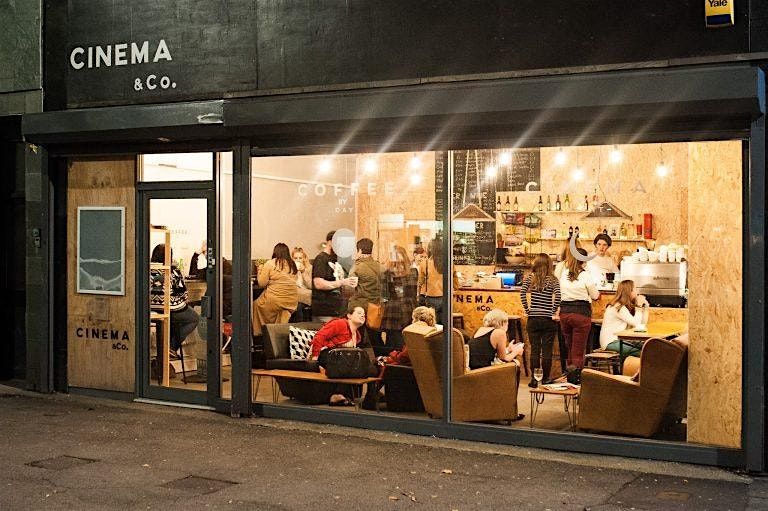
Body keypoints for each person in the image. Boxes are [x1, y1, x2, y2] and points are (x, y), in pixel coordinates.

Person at [310, 304, 373, 406]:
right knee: (346, 364)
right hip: (325, 354)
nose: (362, 316)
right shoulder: (340, 323)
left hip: (340, 360)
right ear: (349, 315)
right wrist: (315, 357)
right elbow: (319, 336)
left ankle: (371, 395)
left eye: (364, 315)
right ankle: (336, 395)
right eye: (359, 313)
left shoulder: (357, 336)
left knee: (369, 367)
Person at [520, 253, 561, 387]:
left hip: (533, 319)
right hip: (548, 320)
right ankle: (545, 378)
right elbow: (558, 297)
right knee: (547, 350)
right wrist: (552, 311)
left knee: (535, 350)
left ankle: (534, 379)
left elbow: (522, 294)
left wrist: (528, 310)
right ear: (549, 265)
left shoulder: (531, 277)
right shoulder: (553, 279)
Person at [150, 244, 200, 354]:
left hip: (151, 309)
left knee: (172, 321)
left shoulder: (147, 269)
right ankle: (172, 347)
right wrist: (184, 299)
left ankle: (163, 350)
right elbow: (182, 292)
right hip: (171, 307)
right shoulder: (173, 270)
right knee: (194, 318)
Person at [558, 246, 600, 371]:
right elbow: (595, 295)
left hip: (565, 314)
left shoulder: (564, 274)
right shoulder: (585, 275)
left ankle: (569, 375)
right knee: (578, 350)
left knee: (570, 347)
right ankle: (575, 377)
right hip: (581, 315)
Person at [252, 243, 299, 337]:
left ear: (275, 252)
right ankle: (276, 332)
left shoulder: (270, 263)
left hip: (275, 300)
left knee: (256, 305)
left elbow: (262, 283)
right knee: (275, 308)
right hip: (291, 302)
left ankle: (260, 333)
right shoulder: (292, 264)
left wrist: (260, 269)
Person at [349, 238, 385, 355]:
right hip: (375, 308)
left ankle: (358, 360)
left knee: (357, 337)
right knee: (376, 338)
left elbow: (350, 286)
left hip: (359, 307)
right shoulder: (380, 267)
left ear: (359, 250)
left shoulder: (357, 267)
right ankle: (382, 360)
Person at [380, 246, 419, 352]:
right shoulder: (413, 272)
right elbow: (414, 292)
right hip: (406, 309)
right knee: (404, 344)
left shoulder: (387, 274)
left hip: (396, 311)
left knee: (397, 345)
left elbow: (384, 296)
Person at [312, 231, 355, 322]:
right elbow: (318, 283)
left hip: (338, 309)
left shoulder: (335, 259)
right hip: (325, 310)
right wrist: (341, 282)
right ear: (330, 242)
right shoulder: (321, 259)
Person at [599, 279, 649, 357]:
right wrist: (639, 306)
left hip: (619, 340)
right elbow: (637, 324)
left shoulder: (623, 306)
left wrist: (646, 308)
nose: (637, 292)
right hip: (610, 342)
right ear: (629, 292)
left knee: (649, 347)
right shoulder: (617, 307)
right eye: (635, 289)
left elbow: (641, 325)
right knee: (644, 353)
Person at [418, 238, 444, 316]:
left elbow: (420, 281)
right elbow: (454, 278)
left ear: (430, 249)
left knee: (430, 320)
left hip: (429, 296)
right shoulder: (447, 262)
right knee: (443, 321)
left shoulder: (425, 263)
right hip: (444, 296)